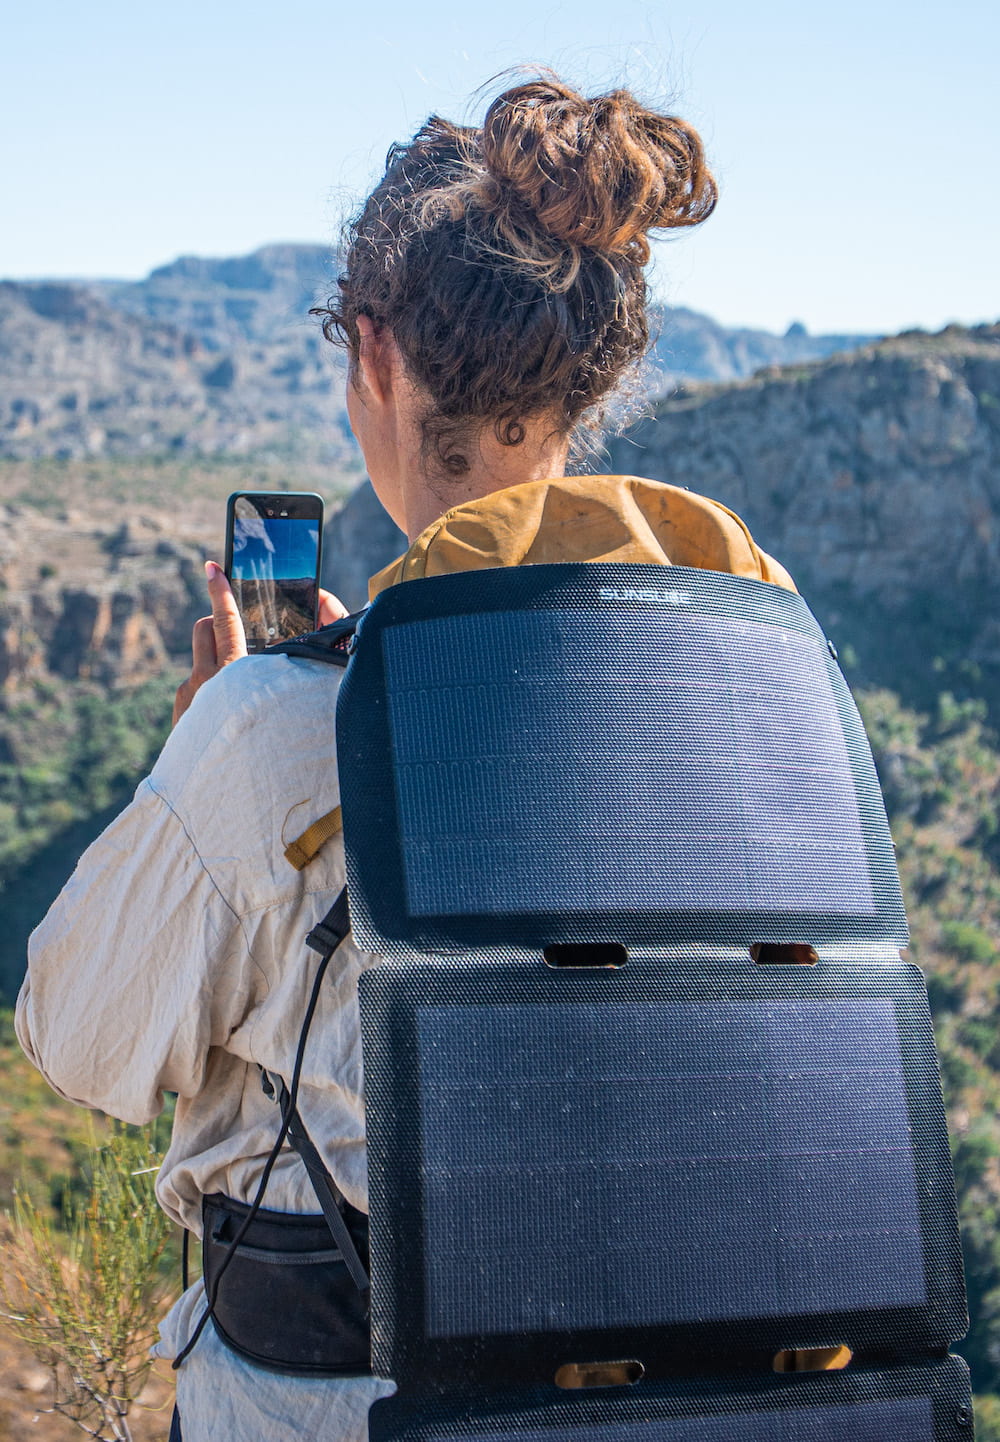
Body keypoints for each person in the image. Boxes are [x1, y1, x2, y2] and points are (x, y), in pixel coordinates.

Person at [16, 74, 795, 1441]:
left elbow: (75, 1042)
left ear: (374, 356)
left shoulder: (273, 728)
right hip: (686, 1387)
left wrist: (221, 739)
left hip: (334, 1395)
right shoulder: (763, 673)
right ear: (584, 381)